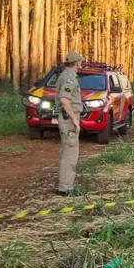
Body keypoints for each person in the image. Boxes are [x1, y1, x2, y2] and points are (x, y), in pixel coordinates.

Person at [56, 51, 84, 196]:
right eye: (81, 61)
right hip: (69, 119)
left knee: (70, 152)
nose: (82, 63)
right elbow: (64, 99)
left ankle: (67, 185)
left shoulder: (69, 76)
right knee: (70, 153)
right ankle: (65, 188)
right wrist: (74, 119)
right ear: (77, 62)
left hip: (68, 117)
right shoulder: (69, 78)